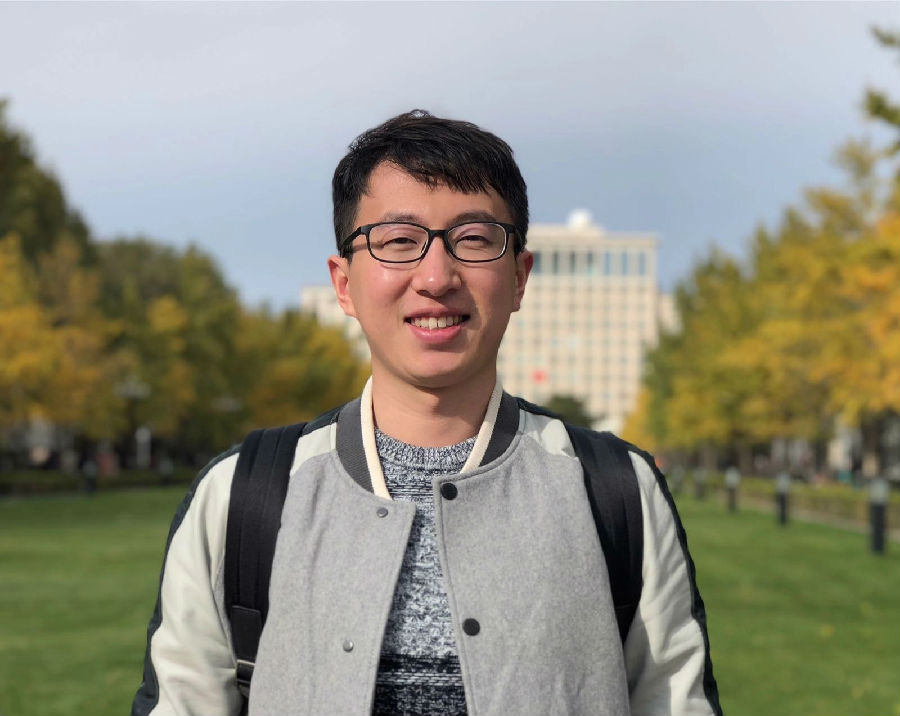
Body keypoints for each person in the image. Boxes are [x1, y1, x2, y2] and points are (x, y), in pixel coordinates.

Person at [132, 110, 722, 716]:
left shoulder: (616, 490)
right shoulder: (243, 494)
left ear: (520, 277)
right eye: (398, 241)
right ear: (343, 284)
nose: (436, 277)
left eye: (474, 239)